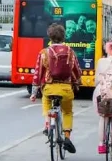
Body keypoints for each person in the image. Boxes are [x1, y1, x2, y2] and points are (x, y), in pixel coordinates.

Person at [30, 23, 82, 153]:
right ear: (64, 37)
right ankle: (67, 137)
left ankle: (48, 124)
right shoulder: (70, 52)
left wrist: (34, 93)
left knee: (46, 101)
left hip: (49, 88)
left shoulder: (44, 53)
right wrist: (77, 82)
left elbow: (37, 73)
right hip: (66, 89)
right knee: (67, 112)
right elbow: (76, 70)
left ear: (50, 37)